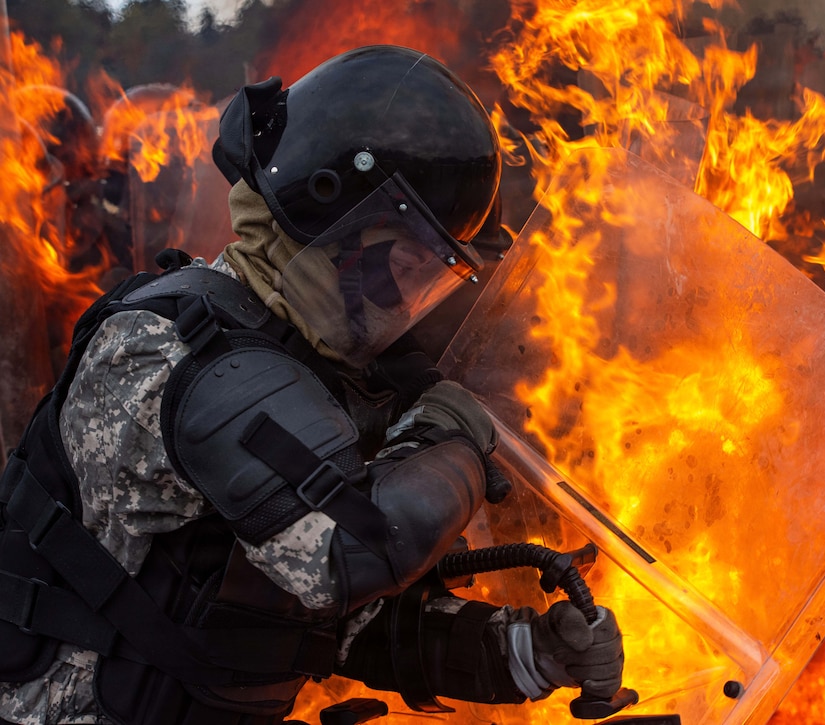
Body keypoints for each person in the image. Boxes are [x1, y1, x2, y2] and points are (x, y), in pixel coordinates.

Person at [0, 45, 624, 725]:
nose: (401, 299)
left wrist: (526, 652)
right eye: (396, 262)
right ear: (326, 219)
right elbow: (347, 551)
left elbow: (317, 624)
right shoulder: (164, 352)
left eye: (426, 278)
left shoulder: (310, 375)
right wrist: (450, 442)